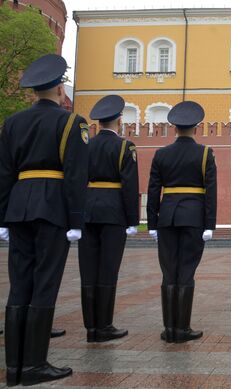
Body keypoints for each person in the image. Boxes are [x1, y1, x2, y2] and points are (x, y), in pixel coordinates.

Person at [0, 54, 89, 386]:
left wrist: (3, 217)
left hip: (19, 207)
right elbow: (76, 175)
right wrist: (76, 221)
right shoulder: (71, 123)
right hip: (52, 208)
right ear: (59, 88)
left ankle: (14, 368)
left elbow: (5, 172)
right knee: (45, 285)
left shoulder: (13, 122)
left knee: (19, 286)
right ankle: (35, 365)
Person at [147, 101, 217, 344]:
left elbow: (153, 190)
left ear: (174, 128)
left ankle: (169, 329)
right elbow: (211, 191)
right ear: (196, 128)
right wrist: (210, 225)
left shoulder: (161, 154)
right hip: (194, 218)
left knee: (168, 272)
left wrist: (153, 224)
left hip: (167, 218)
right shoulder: (205, 154)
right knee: (186, 272)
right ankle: (182, 329)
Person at [79, 95, 139, 343]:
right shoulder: (125, 147)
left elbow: (76, 179)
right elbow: (129, 185)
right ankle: (104, 325)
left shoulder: (86, 145)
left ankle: (90, 327)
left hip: (87, 210)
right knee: (108, 269)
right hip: (113, 211)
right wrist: (132, 219)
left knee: (88, 269)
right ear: (119, 120)